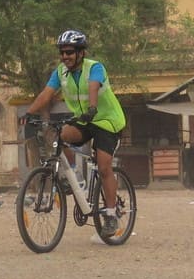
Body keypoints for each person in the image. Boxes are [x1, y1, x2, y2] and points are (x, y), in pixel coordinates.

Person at [21, 29, 127, 234]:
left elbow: (93, 87)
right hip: (84, 120)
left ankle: (112, 214)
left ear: (81, 53)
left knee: (104, 167)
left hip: (107, 121)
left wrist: (92, 108)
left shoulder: (94, 67)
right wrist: (29, 113)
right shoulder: (60, 72)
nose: (64, 57)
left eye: (69, 52)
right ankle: (75, 176)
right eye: (62, 52)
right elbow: (46, 94)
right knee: (60, 136)